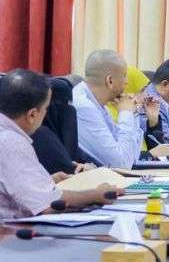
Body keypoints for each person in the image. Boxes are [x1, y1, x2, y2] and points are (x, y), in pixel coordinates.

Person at [0, 69, 120, 219]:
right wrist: (97, 194)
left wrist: (48, 181)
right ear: (32, 115)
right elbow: (49, 205)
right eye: (46, 108)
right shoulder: (11, 142)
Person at [72, 49, 155, 169]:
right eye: (124, 75)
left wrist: (134, 113)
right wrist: (126, 114)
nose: (127, 82)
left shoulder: (99, 103)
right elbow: (121, 164)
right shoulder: (84, 107)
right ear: (110, 81)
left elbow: (132, 157)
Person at [31, 77, 97, 174]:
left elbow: (88, 162)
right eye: (62, 103)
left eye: (70, 104)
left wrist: (90, 166)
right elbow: (68, 171)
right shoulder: (40, 136)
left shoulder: (62, 137)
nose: (69, 110)